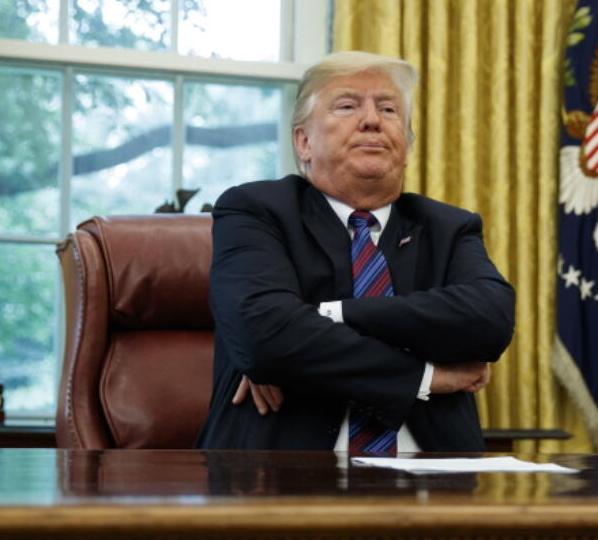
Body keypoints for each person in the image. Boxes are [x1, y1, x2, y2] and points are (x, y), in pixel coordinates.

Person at [194, 51, 515, 453]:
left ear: (407, 144)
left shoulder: (448, 226)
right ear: (304, 141)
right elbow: (264, 338)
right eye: (347, 105)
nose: (371, 119)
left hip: (437, 481)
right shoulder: (257, 210)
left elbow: (490, 321)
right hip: (279, 477)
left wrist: (323, 316)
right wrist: (425, 377)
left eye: (388, 109)